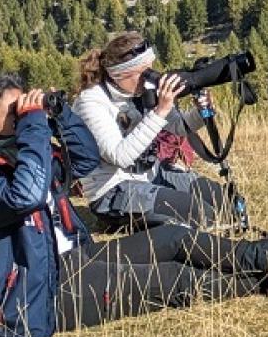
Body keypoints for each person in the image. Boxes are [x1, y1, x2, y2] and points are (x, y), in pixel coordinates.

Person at [0, 74, 268, 337]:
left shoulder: (21, 154)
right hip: (33, 301)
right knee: (171, 279)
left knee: (174, 237)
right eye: (14, 112)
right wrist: (35, 127)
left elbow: (85, 157)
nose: (26, 114)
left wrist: (60, 113)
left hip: (68, 262)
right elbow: (23, 196)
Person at [72, 31, 226, 229]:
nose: (149, 78)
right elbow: (120, 156)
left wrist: (201, 111)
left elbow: (179, 127)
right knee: (199, 214)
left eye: (150, 69)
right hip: (113, 192)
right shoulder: (91, 102)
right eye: (142, 73)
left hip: (152, 176)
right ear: (119, 74)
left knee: (222, 201)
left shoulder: (141, 90)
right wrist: (160, 110)